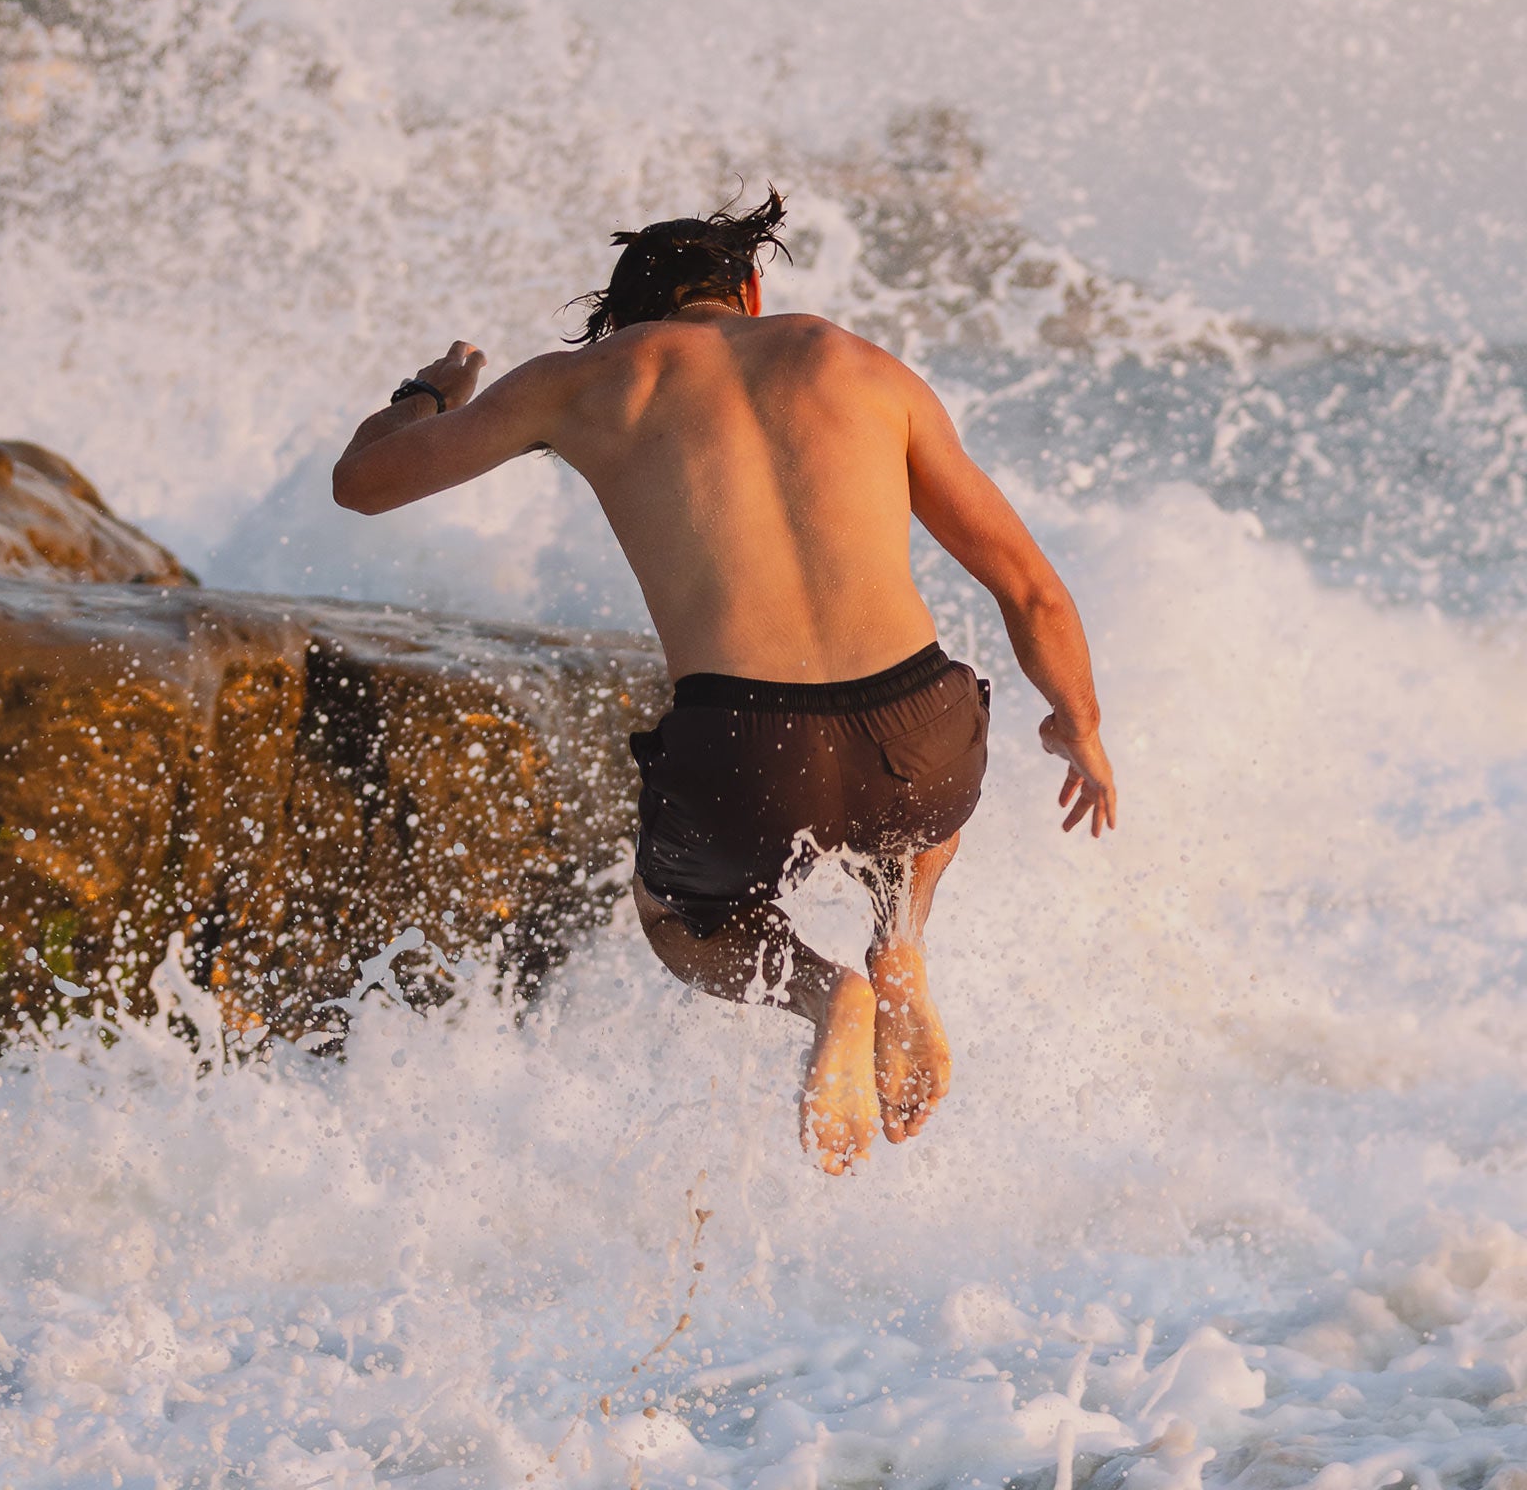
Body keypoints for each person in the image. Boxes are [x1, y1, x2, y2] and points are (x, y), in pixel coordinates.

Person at [333, 189, 1116, 1175]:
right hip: (915, 731)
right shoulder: (861, 365)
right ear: (749, 288)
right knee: (929, 794)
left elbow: (360, 484)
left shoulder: (580, 381)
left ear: (622, 320)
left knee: (679, 917)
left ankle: (824, 995)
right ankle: (899, 939)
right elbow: (1030, 588)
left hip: (745, 748)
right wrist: (1078, 725)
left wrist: (431, 391)